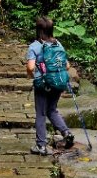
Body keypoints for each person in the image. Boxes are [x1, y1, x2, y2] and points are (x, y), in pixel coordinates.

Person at [25, 16, 75, 155]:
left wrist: (31, 75)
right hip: (58, 82)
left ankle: (41, 145)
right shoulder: (58, 44)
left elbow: (30, 67)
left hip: (43, 84)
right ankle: (66, 133)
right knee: (52, 109)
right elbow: (67, 65)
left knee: (41, 113)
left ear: (39, 30)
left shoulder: (35, 46)